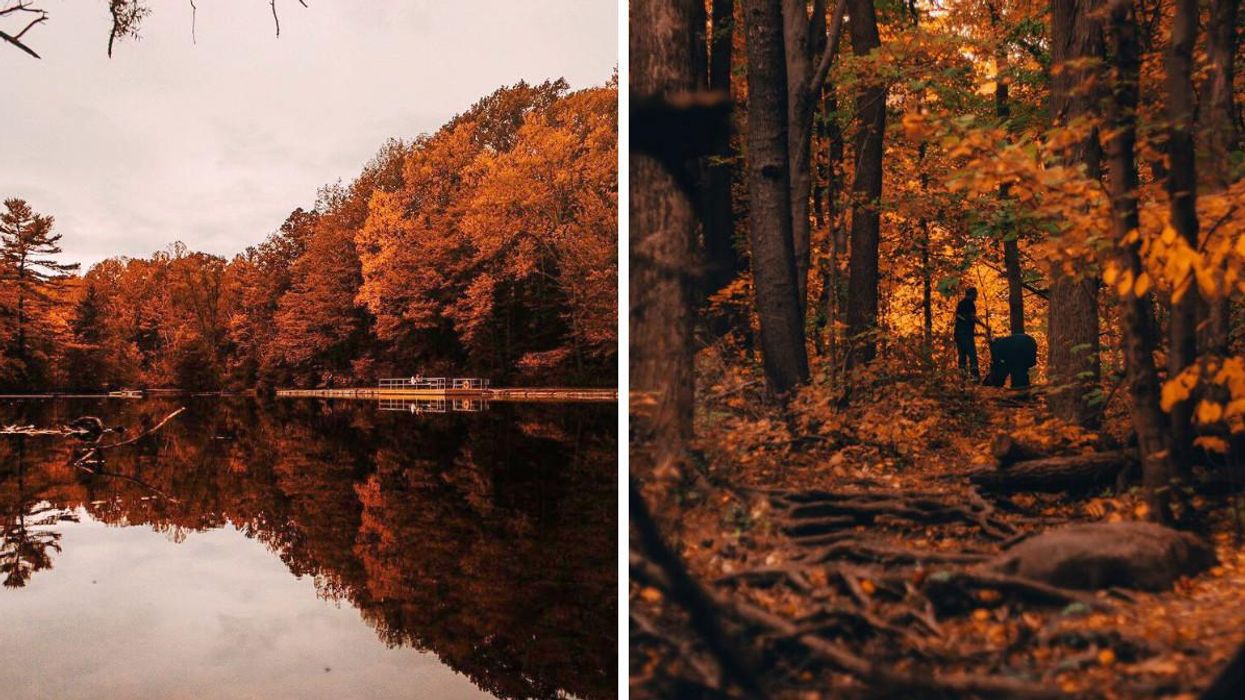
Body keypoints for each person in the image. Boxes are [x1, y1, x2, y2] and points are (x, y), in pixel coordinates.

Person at [954, 287, 984, 379]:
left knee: (962, 356)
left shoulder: (961, 304)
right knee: (972, 356)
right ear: (971, 294)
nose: (977, 296)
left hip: (958, 334)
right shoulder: (970, 304)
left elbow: (962, 318)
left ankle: (962, 379)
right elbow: (972, 317)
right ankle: (974, 378)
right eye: (975, 294)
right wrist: (984, 326)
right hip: (966, 334)